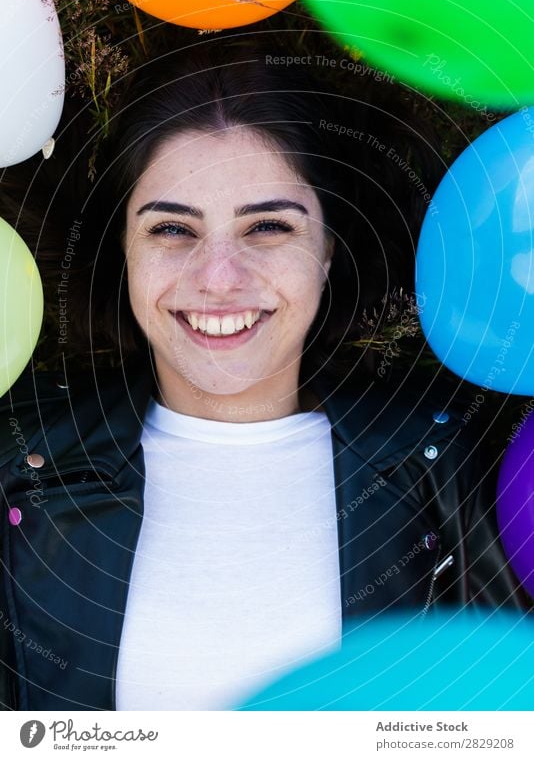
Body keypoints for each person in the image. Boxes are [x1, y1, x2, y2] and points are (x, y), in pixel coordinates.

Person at [0, 35, 529, 712]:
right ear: (124, 251)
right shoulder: (24, 467)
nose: (219, 279)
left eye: (268, 227)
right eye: (171, 230)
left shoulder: (435, 463)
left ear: (328, 251)